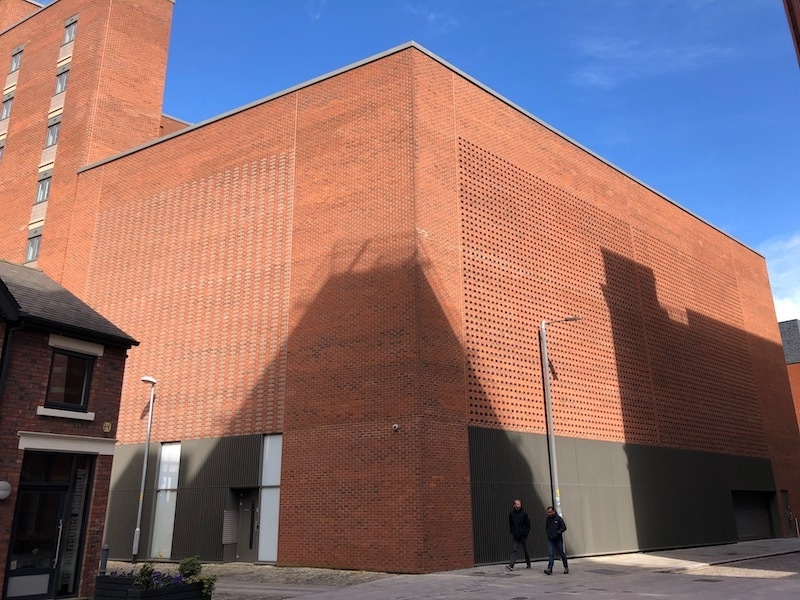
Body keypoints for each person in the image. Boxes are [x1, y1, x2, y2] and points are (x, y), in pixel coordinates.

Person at [505, 499, 531, 570]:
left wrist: (525, 533)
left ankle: (528, 563)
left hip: (522, 535)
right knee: (514, 549)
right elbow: (511, 524)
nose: (518, 506)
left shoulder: (524, 513)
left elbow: (528, 524)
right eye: (517, 504)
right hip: (515, 535)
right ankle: (511, 565)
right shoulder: (511, 514)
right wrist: (512, 531)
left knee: (525, 550)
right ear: (514, 505)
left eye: (519, 504)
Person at [544, 506, 569, 575]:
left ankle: (566, 567)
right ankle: (549, 568)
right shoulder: (547, 519)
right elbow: (546, 528)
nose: (549, 514)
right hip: (551, 539)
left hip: (558, 539)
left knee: (561, 553)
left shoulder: (558, 519)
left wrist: (558, 532)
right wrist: (548, 534)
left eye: (550, 512)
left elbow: (564, 527)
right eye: (548, 512)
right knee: (551, 554)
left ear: (553, 511)